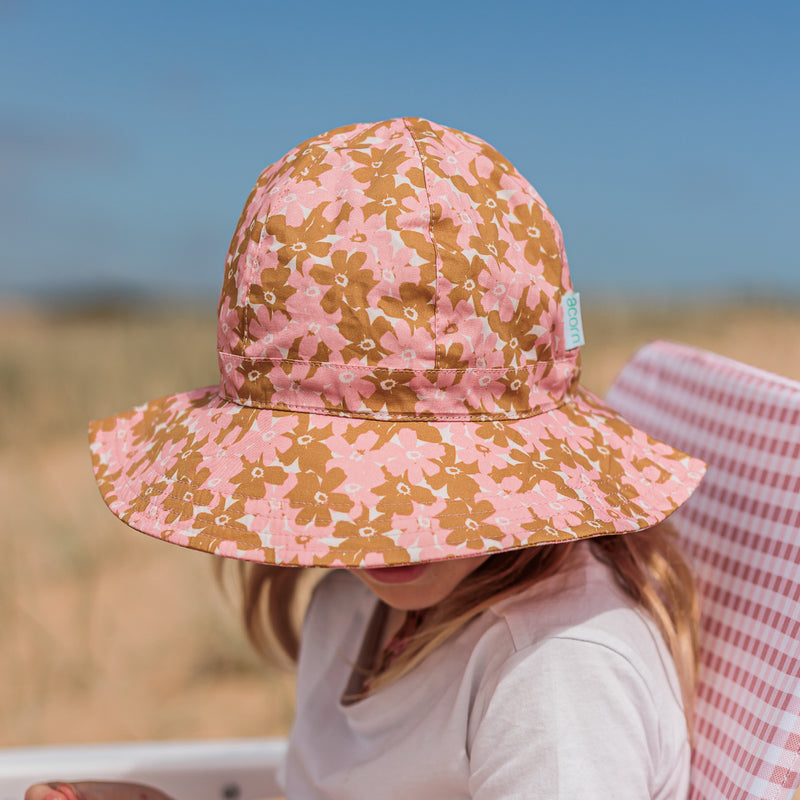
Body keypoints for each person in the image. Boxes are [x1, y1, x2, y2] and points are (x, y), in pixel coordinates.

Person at [27, 117, 706, 800]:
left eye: (430, 481)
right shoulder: (355, 606)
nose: (387, 527)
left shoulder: (554, 680)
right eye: (357, 480)